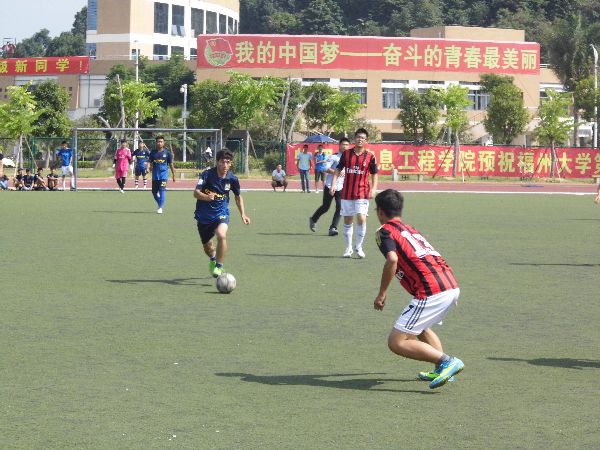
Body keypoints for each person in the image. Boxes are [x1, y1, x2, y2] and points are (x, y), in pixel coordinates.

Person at [373, 189, 464, 389]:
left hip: (432, 290)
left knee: (396, 342)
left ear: (380, 211)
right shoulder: (410, 230)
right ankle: (443, 370)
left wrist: (382, 293)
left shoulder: (384, 231)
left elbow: (392, 260)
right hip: (449, 284)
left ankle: (447, 362)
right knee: (420, 328)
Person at [194, 148, 250, 278]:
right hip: (204, 216)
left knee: (221, 235)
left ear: (231, 163)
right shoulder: (207, 174)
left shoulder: (232, 179)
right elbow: (196, 193)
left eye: (228, 162)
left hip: (221, 212)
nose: (225, 165)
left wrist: (243, 214)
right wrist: (206, 197)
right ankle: (213, 259)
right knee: (208, 248)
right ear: (217, 162)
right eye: (222, 162)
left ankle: (219, 266)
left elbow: (238, 197)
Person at [330, 128, 379, 258]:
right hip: (347, 192)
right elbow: (338, 170)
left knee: (361, 218)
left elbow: (374, 174)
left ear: (366, 140)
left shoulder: (370, 156)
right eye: (358, 137)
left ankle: (359, 247)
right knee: (348, 220)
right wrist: (333, 184)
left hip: (362, 192)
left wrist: (374, 189)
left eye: (362, 138)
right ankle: (348, 248)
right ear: (355, 138)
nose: (360, 139)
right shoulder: (346, 154)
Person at [309, 138, 349, 236]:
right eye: (343, 144)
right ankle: (313, 219)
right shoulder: (334, 157)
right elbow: (325, 168)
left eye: (347, 145)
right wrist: (337, 172)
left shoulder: (349, 158)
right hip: (330, 185)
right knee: (325, 207)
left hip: (341, 187)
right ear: (339, 145)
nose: (345, 146)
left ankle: (333, 228)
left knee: (340, 207)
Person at [149, 135, 176, 214]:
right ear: (156, 142)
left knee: (162, 190)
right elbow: (149, 162)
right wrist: (148, 168)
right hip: (155, 176)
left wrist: (174, 175)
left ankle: (160, 207)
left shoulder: (167, 153)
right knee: (154, 192)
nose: (159, 143)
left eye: (161, 142)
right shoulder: (153, 152)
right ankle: (160, 203)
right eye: (158, 142)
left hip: (163, 176)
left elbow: (171, 164)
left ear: (164, 143)